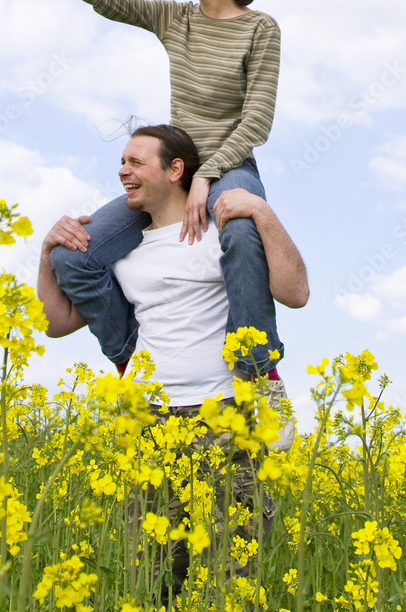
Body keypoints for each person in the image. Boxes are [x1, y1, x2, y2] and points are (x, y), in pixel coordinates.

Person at [0, 0, 282, 377]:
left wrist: (208, 174)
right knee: (72, 255)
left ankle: (257, 372)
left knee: (240, 230)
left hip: (230, 166)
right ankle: (134, 363)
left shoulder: (260, 28)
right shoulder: (175, 19)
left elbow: (257, 121)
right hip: (175, 170)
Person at [37, 125, 309, 603]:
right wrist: (48, 253)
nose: (123, 171)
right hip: (151, 423)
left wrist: (262, 213)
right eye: (122, 162)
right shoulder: (122, 253)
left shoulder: (224, 233)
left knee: (232, 582)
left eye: (135, 162)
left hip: (228, 418)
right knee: (153, 583)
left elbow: (296, 293)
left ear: (175, 170)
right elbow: (56, 323)